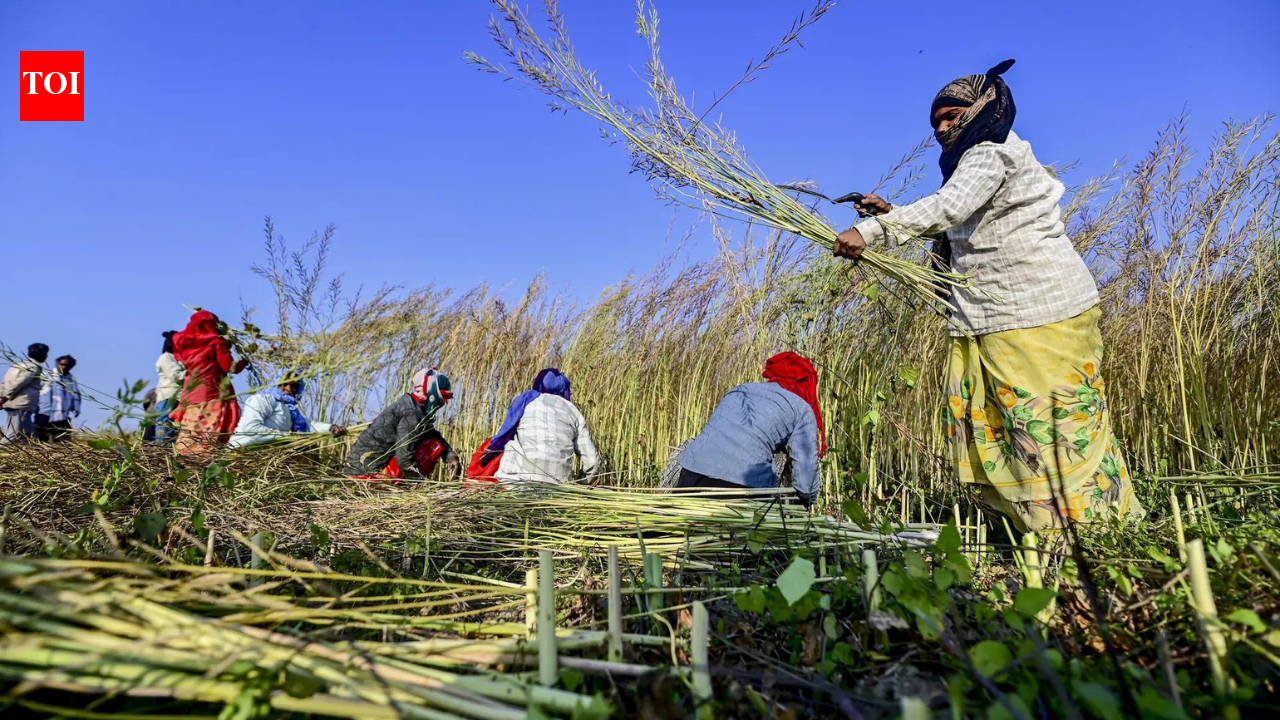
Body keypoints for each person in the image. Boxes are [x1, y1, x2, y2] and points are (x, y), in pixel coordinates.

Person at [832, 60, 1144, 533]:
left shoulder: (988, 152)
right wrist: (893, 212)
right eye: (935, 121)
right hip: (1021, 310)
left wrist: (871, 229)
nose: (941, 128)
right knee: (1040, 420)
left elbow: (950, 206)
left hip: (1033, 310)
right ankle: (1072, 526)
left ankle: (1082, 529)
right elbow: (962, 223)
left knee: (1048, 421)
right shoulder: (983, 158)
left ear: (981, 109)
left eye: (950, 116)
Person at [675, 352, 825, 507]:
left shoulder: (740, 390)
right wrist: (807, 501)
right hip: (742, 486)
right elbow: (805, 482)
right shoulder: (801, 408)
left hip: (691, 473)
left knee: (681, 527)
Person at [479, 368, 600, 484]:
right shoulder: (573, 412)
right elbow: (592, 462)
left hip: (516, 484)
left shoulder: (525, 403)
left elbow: (501, 439)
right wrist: (583, 484)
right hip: (559, 489)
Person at [345, 367, 460, 479]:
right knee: (433, 445)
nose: (443, 403)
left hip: (356, 469)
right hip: (364, 474)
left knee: (434, 441)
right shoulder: (411, 414)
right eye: (443, 398)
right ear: (432, 394)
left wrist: (450, 456)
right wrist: (421, 483)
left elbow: (432, 434)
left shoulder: (413, 407)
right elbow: (404, 460)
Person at [169, 310, 247, 458]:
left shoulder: (186, 345)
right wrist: (243, 362)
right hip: (213, 393)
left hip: (192, 393)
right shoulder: (215, 343)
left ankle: (182, 457)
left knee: (191, 428)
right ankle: (201, 460)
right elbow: (229, 367)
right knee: (208, 430)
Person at [229, 372, 347, 448]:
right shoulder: (261, 400)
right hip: (244, 448)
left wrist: (330, 427)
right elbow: (251, 428)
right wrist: (288, 437)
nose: (288, 389)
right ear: (277, 383)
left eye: (293, 386)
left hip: (268, 450)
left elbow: (307, 426)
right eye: (284, 384)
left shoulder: (289, 408)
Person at [1, 343, 49, 444]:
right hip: (22, 404)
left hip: (15, 404)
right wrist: (5, 397)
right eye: (45, 353)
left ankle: (36, 452)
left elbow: (4, 383)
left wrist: (2, 397)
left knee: (29, 433)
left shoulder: (16, 366)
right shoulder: (33, 368)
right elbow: (19, 383)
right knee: (13, 434)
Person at [149, 331, 186, 445]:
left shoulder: (178, 358)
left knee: (175, 427)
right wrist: (197, 372)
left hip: (178, 397)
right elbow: (176, 375)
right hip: (168, 396)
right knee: (165, 425)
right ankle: (162, 450)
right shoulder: (166, 358)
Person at [36, 355, 81, 441]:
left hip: (62, 415)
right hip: (44, 413)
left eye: (67, 365)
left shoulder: (71, 379)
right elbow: (36, 390)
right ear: (57, 363)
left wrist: (76, 408)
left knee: (63, 441)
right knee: (41, 440)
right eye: (62, 364)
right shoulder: (47, 375)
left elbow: (76, 395)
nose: (64, 367)